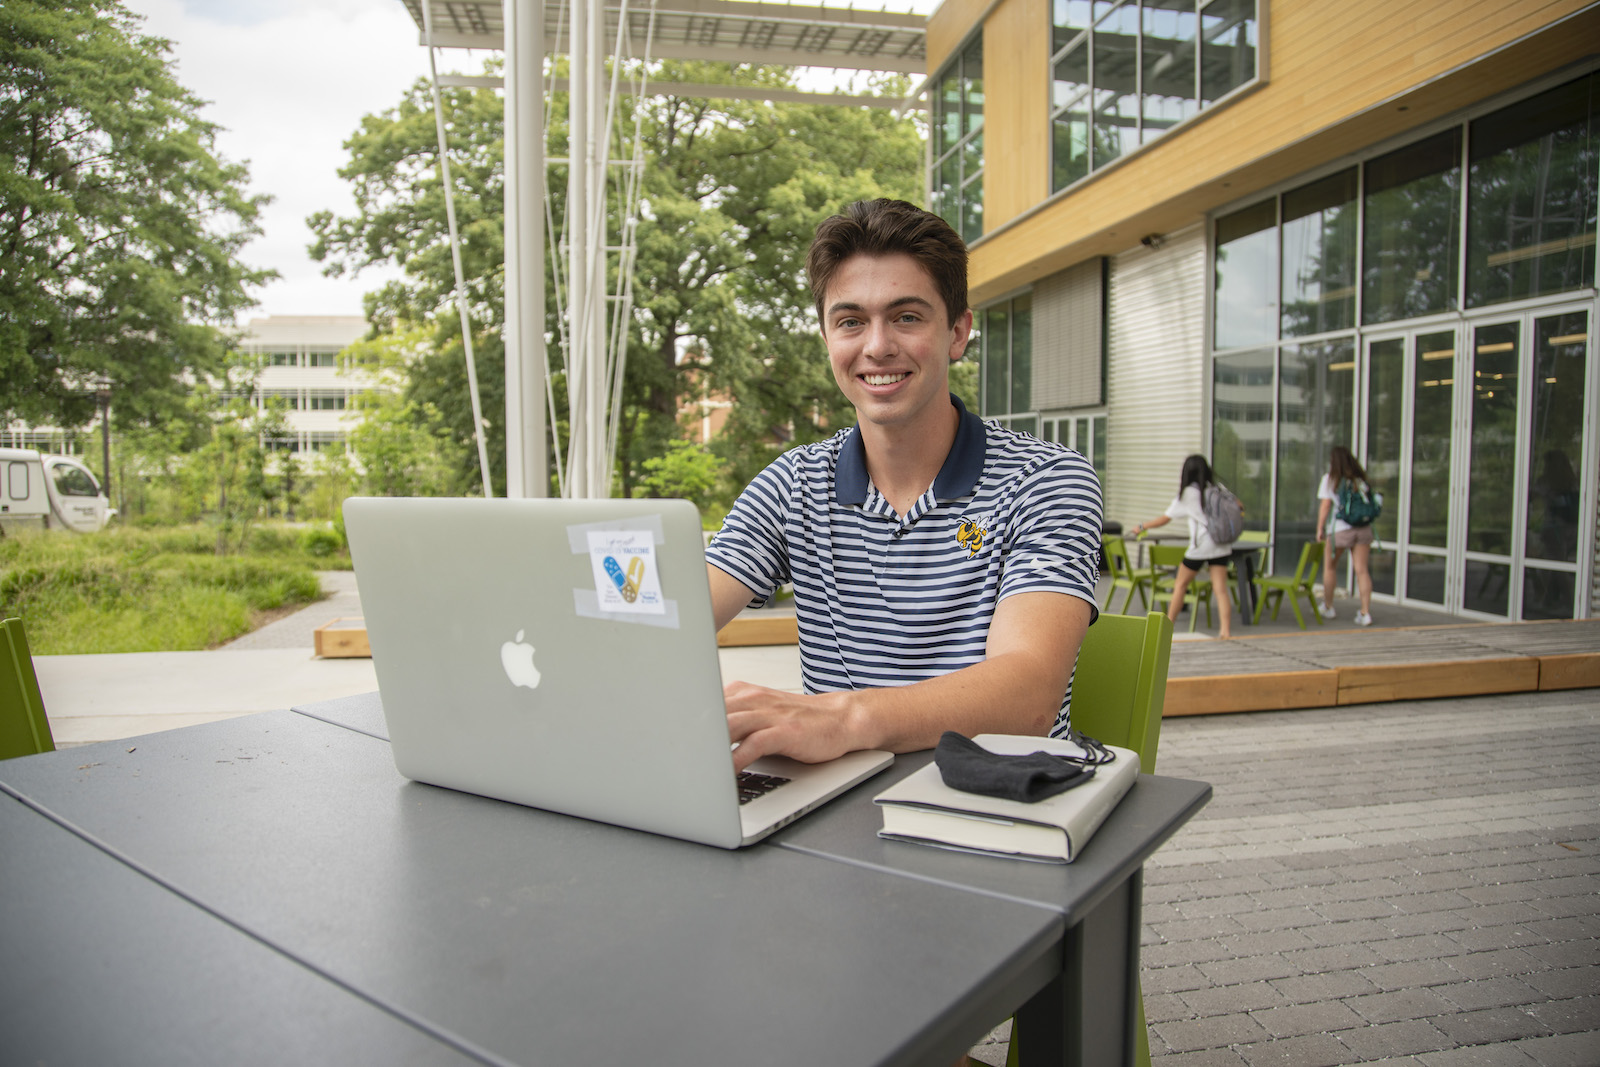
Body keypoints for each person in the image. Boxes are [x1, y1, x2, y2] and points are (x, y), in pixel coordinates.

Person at [704, 198, 1103, 776]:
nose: (877, 346)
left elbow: (1029, 696)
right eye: (850, 321)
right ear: (827, 338)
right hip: (837, 801)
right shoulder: (792, 484)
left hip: (995, 799)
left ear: (957, 333)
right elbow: (670, 623)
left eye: (907, 317)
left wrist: (842, 718)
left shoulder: (1045, 480)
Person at [1128, 454, 1236, 640]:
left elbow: (1165, 519)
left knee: (1180, 585)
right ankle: (1225, 632)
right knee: (1220, 589)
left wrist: (1142, 526)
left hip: (1200, 547)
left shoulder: (1188, 494)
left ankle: (1167, 628)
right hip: (1221, 544)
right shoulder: (1218, 489)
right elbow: (1239, 506)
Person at [1317, 445, 1374, 626]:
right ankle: (1365, 612)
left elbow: (1326, 506)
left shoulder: (1330, 479)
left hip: (1340, 530)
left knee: (1330, 567)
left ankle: (1328, 606)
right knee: (1362, 570)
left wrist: (1320, 528)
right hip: (1363, 529)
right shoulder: (1360, 479)